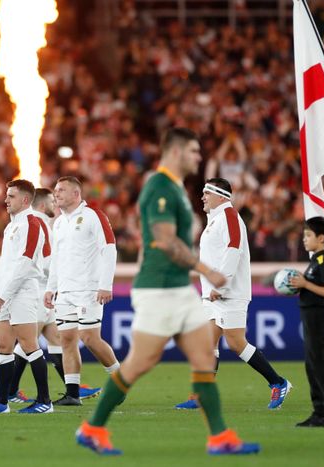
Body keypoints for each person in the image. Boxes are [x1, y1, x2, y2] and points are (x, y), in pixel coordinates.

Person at [75, 127, 260, 456]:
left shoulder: (173, 187)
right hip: (160, 289)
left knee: (205, 356)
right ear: (175, 152)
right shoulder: (160, 185)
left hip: (177, 288)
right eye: (193, 151)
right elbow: (164, 238)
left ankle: (219, 437)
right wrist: (207, 271)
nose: (198, 158)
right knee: (138, 365)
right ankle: (92, 428)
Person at [175, 177, 291, 410]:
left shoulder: (228, 217)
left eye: (207, 193)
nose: (202, 197)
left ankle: (278, 382)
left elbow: (233, 250)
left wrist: (221, 286)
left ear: (220, 196)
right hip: (213, 294)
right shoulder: (215, 220)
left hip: (229, 293)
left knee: (237, 343)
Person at [9, 188, 101, 402]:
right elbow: (50, 260)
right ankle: (11, 390)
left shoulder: (37, 223)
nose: (55, 204)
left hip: (46, 291)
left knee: (56, 338)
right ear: (42, 205)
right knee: (29, 341)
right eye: (52, 200)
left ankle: (73, 387)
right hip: (41, 290)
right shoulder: (40, 223)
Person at [43, 176, 120, 406]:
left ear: (76, 194)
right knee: (66, 339)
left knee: (89, 338)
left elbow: (109, 248)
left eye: (61, 190)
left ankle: (120, 380)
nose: (56, 194)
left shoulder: (93, 216)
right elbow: (55, 259)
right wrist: (51, 288)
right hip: (65, 292)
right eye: (55, 190)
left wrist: (105, 284)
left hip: (89, 290)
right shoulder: (58, 223)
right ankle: (73, 393)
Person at [0, 179, 53, 414]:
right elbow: (5, 267)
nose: (5, 200)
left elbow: (26, 263)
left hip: (23, 291)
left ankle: (45, 401)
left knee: (30, 344)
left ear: (25, 200)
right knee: (3, 345)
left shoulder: (32, 223)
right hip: (5, 292)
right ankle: (2, 402)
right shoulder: (11, 226)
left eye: (11, 196)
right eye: (6, 195)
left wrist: (2, 297)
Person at [290, 217, 324, 427]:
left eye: (308, 235)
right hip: (311, 317)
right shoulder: (314, 261)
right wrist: (299, 286)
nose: (304, 239)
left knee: (322, 365)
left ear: (321, 238)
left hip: (319, 317)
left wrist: (305, 284)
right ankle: (319, 412)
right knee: (312, 365)